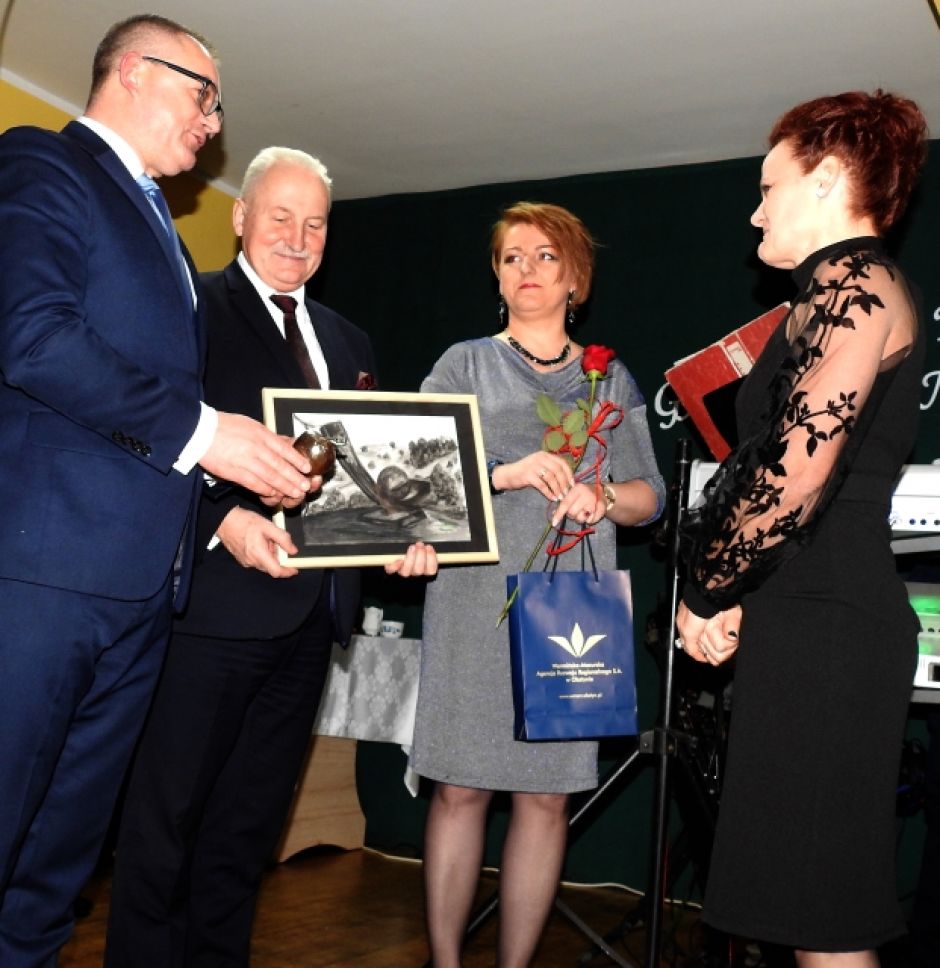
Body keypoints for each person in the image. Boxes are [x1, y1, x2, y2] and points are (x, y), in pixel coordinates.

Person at [0, 16, 317, 963]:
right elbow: (33, 336)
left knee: (55, 869)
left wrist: (221, 492)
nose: (212, 120)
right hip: (44, 579)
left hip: (141, 599)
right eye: (202, 93)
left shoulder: (169, 241)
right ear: (134, 71)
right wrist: (211, 434)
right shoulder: (43, 163)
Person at [104, 147, 437, 966]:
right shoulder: (190, 308)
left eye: (315, 223)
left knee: (245, 835)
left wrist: (398, 537)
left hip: (312, 624)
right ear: (240, 216)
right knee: (164, 829)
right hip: (209, 616)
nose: (297, 237)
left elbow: (363, 481)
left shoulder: (349, 339)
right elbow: (140, 437)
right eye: (280, 216)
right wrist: (223, 523)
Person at [676, 90, 929, 967]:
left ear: (824, 180)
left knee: (823, 923)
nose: (755, 212)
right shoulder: (834, 292)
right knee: (802, 915)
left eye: (767, 187)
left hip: (831, 626)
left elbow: (794, 473)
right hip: (807, 615)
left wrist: (708, 586)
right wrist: (743, 595)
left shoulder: (855, 282)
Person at [409, 202, 666, 967]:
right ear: (496, 275)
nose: (527, 268)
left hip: (571, 612)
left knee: (547, 797)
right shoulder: (462, 364)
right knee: (459, 789)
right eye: (512, 256)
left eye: (546, 255)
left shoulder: (609, 377)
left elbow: (650, 495)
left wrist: (603, 495)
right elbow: (414, 471)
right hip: (471, 601)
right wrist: (505, 472)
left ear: (575, 278)